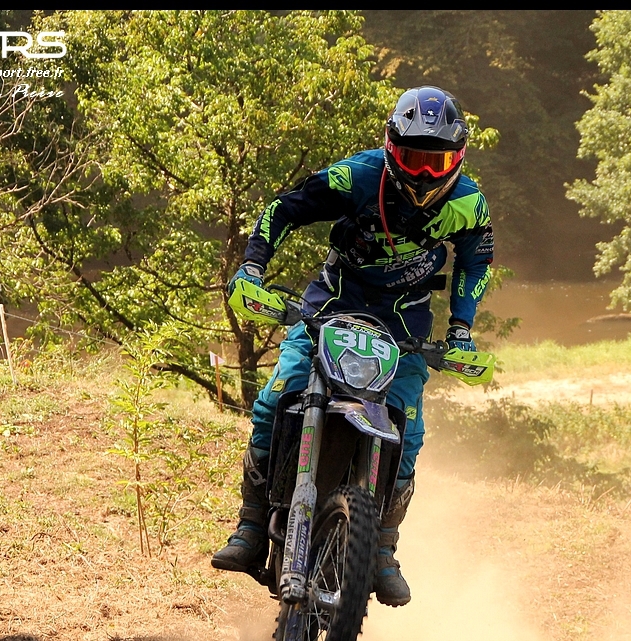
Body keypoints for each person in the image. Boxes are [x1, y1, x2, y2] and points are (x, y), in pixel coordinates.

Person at [210, 86, 495, 608]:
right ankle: (251, 525)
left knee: (408, 429)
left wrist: (460, 330)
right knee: (275, 398)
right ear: (390, 147)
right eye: (412, 157)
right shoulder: (357, 176)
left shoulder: (468, 205)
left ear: (458, 158)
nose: (423, 173)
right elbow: (285, 209)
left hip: (404, 322)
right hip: (332, 303)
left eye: (436, 162)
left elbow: (475, 263)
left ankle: (382, 547)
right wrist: (251, 267)